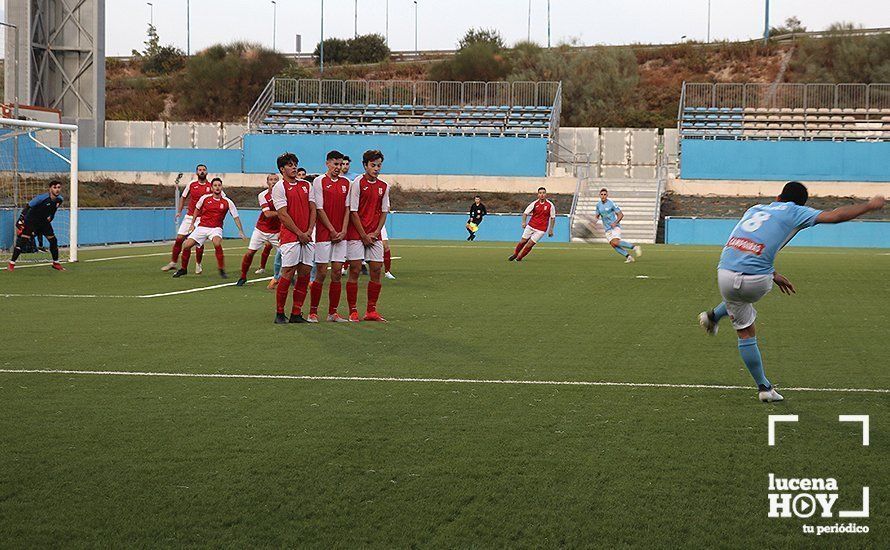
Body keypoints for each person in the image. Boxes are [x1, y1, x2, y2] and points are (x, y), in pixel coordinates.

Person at [698, 181, 885, 403]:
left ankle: (714, 319)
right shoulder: (797, 212)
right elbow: (835, 216)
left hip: (725, 273)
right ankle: (764, 388)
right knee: (746, 320)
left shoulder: (754, 209)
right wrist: (869, 206)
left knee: (737, 305)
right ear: (802, 204)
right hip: (757, 281)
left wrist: (773, 273)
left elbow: (749, 243)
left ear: (778, 197)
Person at [345, 150, 390, 322]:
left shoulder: (384, 187)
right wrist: (363, 234)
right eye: (373, 165)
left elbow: (384, 211)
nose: (376, 169)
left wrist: (376, 232)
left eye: (379, 165)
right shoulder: (357, 183)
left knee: (377, 270)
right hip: (357, 234)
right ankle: (353, 311)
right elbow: (353, 211)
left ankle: (371, 311)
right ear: (365, 165)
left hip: (374, 234)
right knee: (355, 269)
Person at [306, 150, 351, 322]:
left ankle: (333, 313)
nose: (338, 167)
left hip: (341, 235)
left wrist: (344, 230)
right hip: (325, 234)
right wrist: (332, 230)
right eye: (335, 164)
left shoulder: (347, 183)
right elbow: (319, 208)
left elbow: (348, 208)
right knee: (322, 273)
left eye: (340, 164)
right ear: (327, 163)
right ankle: (313, 312)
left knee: (338, 272)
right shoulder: (319, 181)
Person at [272, 152, 317, 324]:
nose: (294, 167)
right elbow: (283, 215)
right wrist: (299, 233)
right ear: (282, 169)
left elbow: (313, 209)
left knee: (305, 273)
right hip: (291, 237)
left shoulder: (306, 185)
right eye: (290, 165)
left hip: (306, 236)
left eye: (295, 164)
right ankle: (280, 313)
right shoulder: (279, 187)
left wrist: (309, 231)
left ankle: (296, 313)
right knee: (288, 273)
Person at [173, 178, 245, 279]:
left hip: (216, 228)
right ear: (211, 188)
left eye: (219, 185)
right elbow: (196, 210)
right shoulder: (204, 198)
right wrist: (192, 224)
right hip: (202, 227)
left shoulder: (227, 202)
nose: (217, 187)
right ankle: (183, 269)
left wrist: (240, 230)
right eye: (215, 185)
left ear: (222, 187)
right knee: (186, 245)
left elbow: (235, 216)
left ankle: (221, 269)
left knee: (217, 243)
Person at [7, 180, 66, 271]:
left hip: (43, 222)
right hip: (31, 221)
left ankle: (56, 263)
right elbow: (28, 206)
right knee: (23, 241)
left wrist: (51, 216)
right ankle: (11, 264)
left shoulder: (60, 199)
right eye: (55, 187)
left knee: (53, 241)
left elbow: (54, 209)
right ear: (50, 189)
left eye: (58, 187)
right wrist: (21, 219)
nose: (57, 190)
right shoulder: (41, 198)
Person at [163, 164, 212, 273]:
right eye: (200, 170)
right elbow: (183, 197)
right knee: (179, 239)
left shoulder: (211, 186)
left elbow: (220, 197)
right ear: (196, 172)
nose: (202, 172)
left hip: (202, 218)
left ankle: (198, 264)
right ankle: (173, 262)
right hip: (189, 216)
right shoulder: (191, 184)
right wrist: (179, 211)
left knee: (197, 243)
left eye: (204, 170)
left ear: (207, 172)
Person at [236, 174, 281, 286]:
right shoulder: (263, 195)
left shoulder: (283, 195)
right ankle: (243, 276)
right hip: (261, 229)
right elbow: (267, 214)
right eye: (271, 180)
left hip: (276, 231)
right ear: (267, 182)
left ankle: (286, 277)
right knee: (250, 253)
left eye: (276, 179)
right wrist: (282, 213)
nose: (273, 182)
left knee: (285, 255)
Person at [595, 188, 641, 263]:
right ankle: (628, 257)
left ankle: (635, 247)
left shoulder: (611, 204)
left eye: (605, 194)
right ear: (599, 195)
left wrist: (615, 223)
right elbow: (597, 216)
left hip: (615, 227)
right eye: (602, 194)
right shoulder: (598, 205)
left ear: (607, 195)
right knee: (613, 245)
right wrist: (593, 223)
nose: (603, 196)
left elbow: (621, 215)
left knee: (615, 242)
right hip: (607, 229)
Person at [508, 187, 555, 262]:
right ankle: (515, 254)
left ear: (546, 194)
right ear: (538, 195)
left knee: (530, 244)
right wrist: (524, 222)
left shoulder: (550, 205)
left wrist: (551, 230)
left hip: (541, 229)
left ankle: (519, 258)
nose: (542, 195)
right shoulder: (534, 204)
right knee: (523, 241)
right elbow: (525, 213)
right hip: (531, 226)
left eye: (543, 193)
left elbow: (552, 218)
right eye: (540, 193)